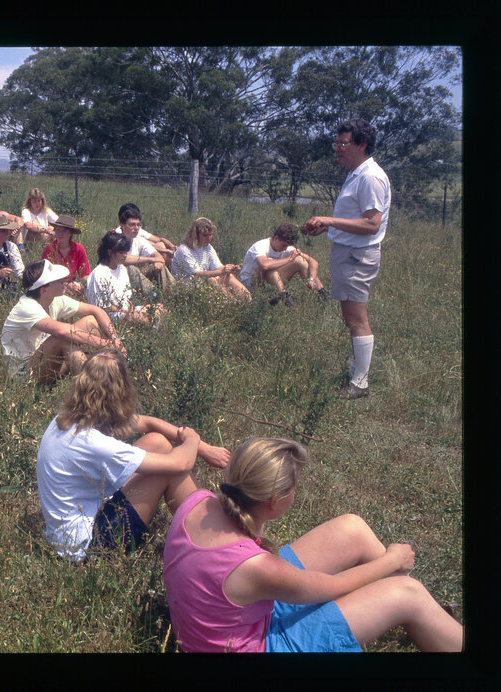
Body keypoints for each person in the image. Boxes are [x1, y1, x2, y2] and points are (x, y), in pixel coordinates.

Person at [161, 437, 463, 652]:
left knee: (352, 528)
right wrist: (392, 560)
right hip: (262, 645)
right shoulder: (255, 567)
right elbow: (332, 587)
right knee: (406, 594)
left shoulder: (196, 502)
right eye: (294, 488)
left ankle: (430, 618)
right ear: (274, 501)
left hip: (239, 613)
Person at [36, 349, 230, 561]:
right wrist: (192, 438)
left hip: (72, 531)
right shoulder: (93, 443)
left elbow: (148, 422)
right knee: (167, 471)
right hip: (89, 548)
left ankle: (210, 528)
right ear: (120, 393)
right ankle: (214, 541)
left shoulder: (64, 420)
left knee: (156, 441)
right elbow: (181, 463)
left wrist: (204, 448)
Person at [302, 119, 391, 400]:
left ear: (362, 145)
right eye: (336, 143)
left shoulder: (369, 177)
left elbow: (371, 224)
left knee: (356, 319)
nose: (338, 149)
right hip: (347, 252)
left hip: (357, 256)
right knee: (350, 316)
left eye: (344, 144)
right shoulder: (356, 173)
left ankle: (360, 383)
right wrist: (329, 227)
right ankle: (357, 368)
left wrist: (329, 218)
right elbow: (357, 220)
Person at [1, 259, 123, 384]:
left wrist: (115, 339)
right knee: (62, 338)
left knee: (90, 321)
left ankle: (102, 373)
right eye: (58, 281)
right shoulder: (26, 307)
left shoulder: (54, 299)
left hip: (46, 359)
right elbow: (62, 331)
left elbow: (96, 310)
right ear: (44, 290)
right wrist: (105, 344)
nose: (64, 282)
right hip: (26, 374)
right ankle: (93, 387)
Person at [239, 222, 329, 306]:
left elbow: (313, 262)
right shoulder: (261, 246)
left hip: (269, 281)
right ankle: (284, 296)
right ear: (276, 238)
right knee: (270, 264)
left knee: (300, 261)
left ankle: (322, 293)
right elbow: (264, 265)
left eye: (287, 246)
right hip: (251, 283)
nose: (285, 249)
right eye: (284, 245)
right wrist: (289, 259)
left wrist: (312, 279)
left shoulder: (287, 248)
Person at [87, 232, 165, 325]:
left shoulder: (122, 268)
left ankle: (149, 326)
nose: (125, 255)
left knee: (160, 308)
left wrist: (132, 310)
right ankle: (150, 330)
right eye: (121, 252)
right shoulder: (99, 273)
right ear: (110, 252)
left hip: (126, 311)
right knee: (145, 319)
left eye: (126, 252)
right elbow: (101, 306)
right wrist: (125, 312)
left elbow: (127, 298)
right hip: (109, 314)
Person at [171, 217, 251, 301]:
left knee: (228, 276)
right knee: (211, 280)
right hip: (185, 287)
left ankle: (246, 299)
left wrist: (230, 269)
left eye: (210, 235)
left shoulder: (207, 247)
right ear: (195, 235)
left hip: (200, 284)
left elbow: (218, 267)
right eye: (205, 235)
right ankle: (231, 303)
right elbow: (197, 274)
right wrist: (221, 271)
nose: (209, 238)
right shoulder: (184, 250)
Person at [117, 204, 173, 295]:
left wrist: (158, 261)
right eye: (132, 225)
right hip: (119, 279)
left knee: (159, 266)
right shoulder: (115, 239)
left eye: (138, 225)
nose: (136, 228)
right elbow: (123, 258)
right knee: (131, 269)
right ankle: (154, 295)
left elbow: (156, 254)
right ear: (122, 225)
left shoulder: (138, 240)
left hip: (136, 278)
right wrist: (151, 259)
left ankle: (173, 292)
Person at [40, 214, 91, 296]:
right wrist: (64, 286)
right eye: (58, 230)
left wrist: (79, 285)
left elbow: (86, 275)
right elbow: (44, 275)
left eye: (64, 231)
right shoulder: (49, 249)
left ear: (70, 233)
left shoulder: (79, 249)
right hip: (54, 288)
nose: (60, 233)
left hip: (74, 289)